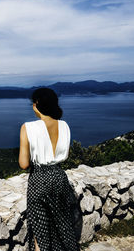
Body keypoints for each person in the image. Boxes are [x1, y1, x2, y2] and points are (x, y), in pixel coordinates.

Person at [18, 87, 80, 251]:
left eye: (33, 103)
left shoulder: (28, 127)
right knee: (62, 225)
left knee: (40, 229)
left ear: (37, 104)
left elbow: (23, 164)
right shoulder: (64, 125)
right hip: (59, 177)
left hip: (39, 179)